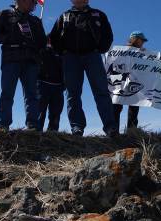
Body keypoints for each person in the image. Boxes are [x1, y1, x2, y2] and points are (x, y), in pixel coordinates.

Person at [49, 0, 116, 136]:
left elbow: (108, 35)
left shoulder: (98, 15)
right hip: (70, 58)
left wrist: (99, 49)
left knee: (101, 91)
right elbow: (54, 36)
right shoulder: (64, 16)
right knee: (72, 94)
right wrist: (62, 52)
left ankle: (110, 127)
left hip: (92, 55)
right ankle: (77, 127)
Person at [0, 0, 44, 130]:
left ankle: (33, 125)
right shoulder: (3, 14)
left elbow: (42, 42)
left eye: (35, 3)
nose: (34, 5)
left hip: (31, 61)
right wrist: (8, 37)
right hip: (11, 59)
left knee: (32, 94)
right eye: (32, 2)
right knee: (7, 92)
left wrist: (36, 48)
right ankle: (3, 123)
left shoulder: (36, 20)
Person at [113, 31, 148, 131]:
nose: (143, 43)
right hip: (120, 81)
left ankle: (131, 131)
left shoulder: (142, 53)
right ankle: (114, 131)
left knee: (134, 107)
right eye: (142, 40)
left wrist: (145, 55)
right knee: (116, 105)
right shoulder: (121, 51)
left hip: (134, 82)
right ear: (135, 39)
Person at [36, 44, 65, 132]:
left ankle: (53, 133)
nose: (51, 42)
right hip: (42, 86)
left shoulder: (61, 53)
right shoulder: (41, 51)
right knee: (40, 112)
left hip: (58, 87)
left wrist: (64, 85)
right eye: (49, 40)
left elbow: (65, 69)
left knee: (55, 114)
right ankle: (36, 132)